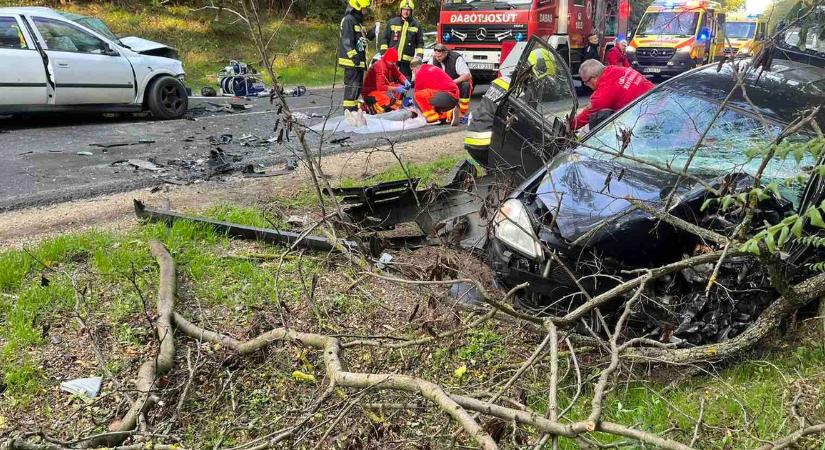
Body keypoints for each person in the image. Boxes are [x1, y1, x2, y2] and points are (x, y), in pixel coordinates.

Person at [464, 48, 556, 167]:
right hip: (489, 144)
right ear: (539, 70)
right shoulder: (521, 90)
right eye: (543, 79)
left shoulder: (502, 80)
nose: (542, 84)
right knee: (529, 164)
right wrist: (545, 139)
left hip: (473, 141)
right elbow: (527, 123)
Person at [573, 59, 653, 130]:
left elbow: (583, 118)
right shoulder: (618, 69)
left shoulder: (602, 94)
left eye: (585, 82)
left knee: (586, 131)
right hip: (658, 100)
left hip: (646, 118)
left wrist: (567, 126)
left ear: (593, 78)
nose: (585, 84)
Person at [338, 0, 375, 114]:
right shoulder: (349, 20)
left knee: (357, 87)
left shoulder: (356, 21)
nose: (365, 11)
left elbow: (361, 39)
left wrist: (372, 33)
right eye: (364, 8)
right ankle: (349, 110)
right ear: (357, 7)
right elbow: (346, 40)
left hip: (358, 61)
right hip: (352, 61)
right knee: (352, 87)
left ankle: (353, 109)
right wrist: (354, 56)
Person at [380, 0, 424, 80]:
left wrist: (419, 57)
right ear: (400, 10)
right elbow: (385, 39)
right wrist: (383, 54)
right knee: (390, 84)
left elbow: (420, 43)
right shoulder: (392, 22)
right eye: (404, 9)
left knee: (405, 84)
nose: (406, 12)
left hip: (406, 63)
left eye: (408, 10)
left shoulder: (416, 25)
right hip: (392, 60)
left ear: (411, 11)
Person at [409, 57, 460, 125]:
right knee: (430, 102)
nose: (413, 72)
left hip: (445, 96)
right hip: (454, 97)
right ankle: (449, 114)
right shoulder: (432, 67)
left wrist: (414, 109)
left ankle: (432, 119)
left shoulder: (420, 73)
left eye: (412, 70)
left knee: (418, 96)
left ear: (415, 67)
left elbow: (417, 93)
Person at [361, 48, 411, 114]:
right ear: (386, 59)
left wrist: (405, 81)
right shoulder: (380, 66)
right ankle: (368, 108)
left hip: (382, 88)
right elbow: (380, 87)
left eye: (394, 62)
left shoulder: (391, 64)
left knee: (400, 89)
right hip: (370, 91)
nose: (392, 64)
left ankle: (393, 109)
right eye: (391, 62)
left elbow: (398, 75)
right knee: (384, 99)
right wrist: (396, 89)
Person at [431, 43, 472, 118]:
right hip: (442, 88)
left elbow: (467, 75)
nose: (438, 58)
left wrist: (452, 82)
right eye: (436, 56)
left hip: (456, 85)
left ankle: (462, 112)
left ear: (445, 53)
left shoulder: (455, 58)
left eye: (440, 56)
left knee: (466, 85)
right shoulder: (433, 60)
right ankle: (444, 112)